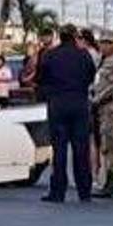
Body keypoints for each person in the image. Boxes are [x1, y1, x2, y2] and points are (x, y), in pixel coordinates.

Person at [38, 24, 97, 204]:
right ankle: (84, 191)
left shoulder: (50, 55)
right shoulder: (84, 55)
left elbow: (41, 79)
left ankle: (58, 191)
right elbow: (91, 76)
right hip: (79, 104)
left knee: (59, 150)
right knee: (81, 150)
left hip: (57, 105)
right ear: (74, 36)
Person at [90, 31, 113, 198]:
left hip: (111, 107)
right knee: (106, 145)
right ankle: (110, 182)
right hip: (101, 108)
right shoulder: (101, 60)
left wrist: (104, 98)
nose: (103, 45)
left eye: (107, 42)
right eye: (102, 42)